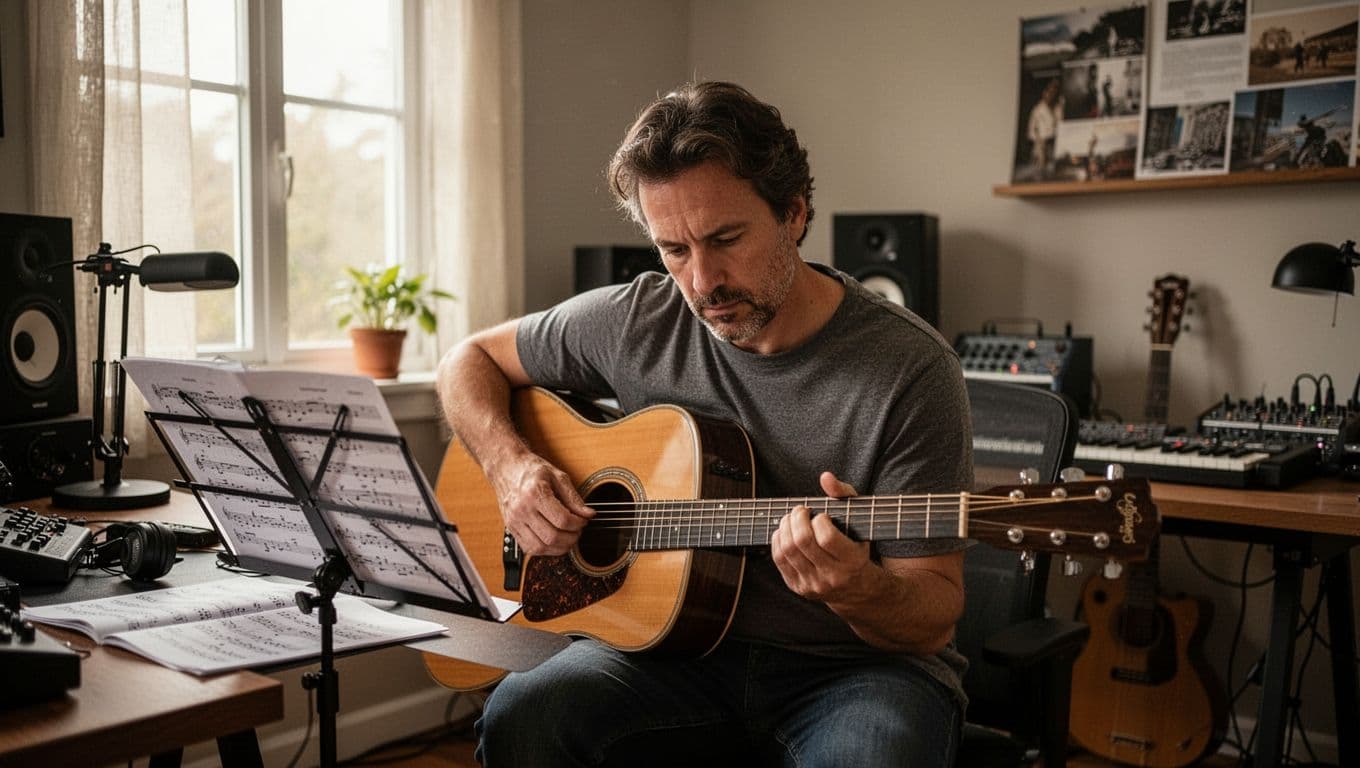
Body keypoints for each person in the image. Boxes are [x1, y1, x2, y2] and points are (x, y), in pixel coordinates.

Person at [437, 81, 972, 766]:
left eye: (725, 239)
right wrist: (509, 466)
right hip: (664, 653)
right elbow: (467, 360)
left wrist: (860, 587)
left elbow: (933, 612)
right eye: (674, 249)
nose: (702, 281)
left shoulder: (909, 368)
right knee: (525, 716)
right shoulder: (637, 319)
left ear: (795, 213)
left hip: (855, 670)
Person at [1027, 79, 1061, 180]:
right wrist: (1039, 140)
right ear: (1044, 92)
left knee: (1054, 172)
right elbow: (1031, 130)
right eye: (1049, 92)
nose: (1051, 95)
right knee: (1040, 172)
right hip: (1041, 143)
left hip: (1055, 142)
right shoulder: (1037, 110)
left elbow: (1061, 125)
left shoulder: (1058, 108)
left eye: (1053, 92)